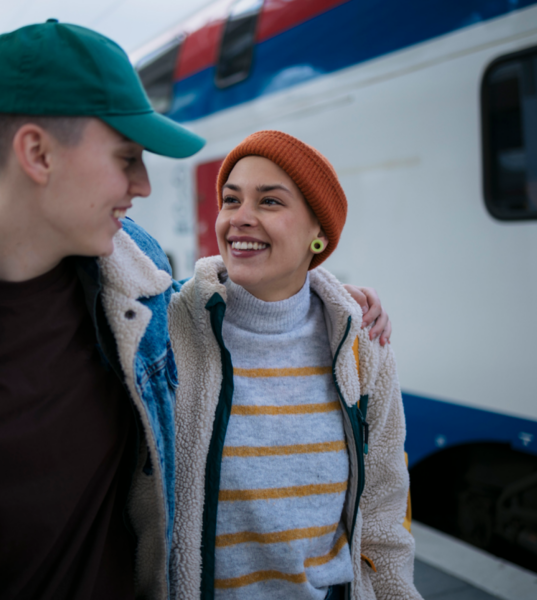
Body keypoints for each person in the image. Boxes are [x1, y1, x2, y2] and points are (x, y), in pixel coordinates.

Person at [0, 22, 391, 600]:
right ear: (37, 153)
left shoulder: (136, 282)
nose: (143, 183)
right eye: (126, 157)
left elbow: (259, 295)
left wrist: (333, 297)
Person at [168, 131, 420, 600]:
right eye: (230, 199)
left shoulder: (361, 345)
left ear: (318, 234)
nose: (240, 219)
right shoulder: (172, 330)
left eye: (269, 202)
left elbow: (384, 510)